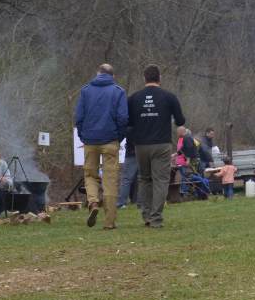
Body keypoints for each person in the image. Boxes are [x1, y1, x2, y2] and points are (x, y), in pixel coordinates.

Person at [127, 65, 185, 228]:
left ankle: (146, 215)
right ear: (159, 77)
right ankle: (156, 218)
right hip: (162, 144)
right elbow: (180, 120)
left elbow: (128, 122)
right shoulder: (169, 97)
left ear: (144, 78)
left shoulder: (133, 98)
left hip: (141, 145)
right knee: (160, 181)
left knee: (144, 179)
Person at [75, 63, 129, 229]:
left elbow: (78, 118)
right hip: (110, 141)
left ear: (97, 73)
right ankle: (109, 222)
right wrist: (118, 138)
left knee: (90, 175)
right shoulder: (118, 91)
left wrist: (83, 136)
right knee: (110, 180)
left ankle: (92, 202)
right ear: (112, 76)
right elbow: (123, 119)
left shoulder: (85, 91)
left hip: (90, 141)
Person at [117, 139, 138, 209]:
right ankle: (137, 201)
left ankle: (121, 203)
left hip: (132, 151)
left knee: (126, 179)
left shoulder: (131, 127)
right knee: (141, 178)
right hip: (145, 149)